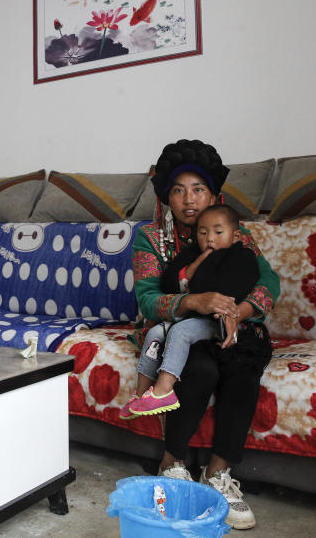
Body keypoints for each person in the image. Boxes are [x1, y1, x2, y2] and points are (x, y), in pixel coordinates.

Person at [131, 139, 280, 531]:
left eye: (198, 189)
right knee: (200, 369)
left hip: (229, 327)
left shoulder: (232, 230)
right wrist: (194, 301)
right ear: (166, 197)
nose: (188, 199)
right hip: (182, 328)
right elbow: (148, 299)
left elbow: (268, 281)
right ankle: (172, 462)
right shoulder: (150, 237)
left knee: (243, 368)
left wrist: (239, 312)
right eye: (178, 190)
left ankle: (219, 474)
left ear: (215, 194)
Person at [120, 203, 259, 418]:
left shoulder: (242, 257)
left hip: (217, 322)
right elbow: (168, 284)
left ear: (236, 236)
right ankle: (140, 395)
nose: (210, 238)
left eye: (218, 232)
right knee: (156, 333)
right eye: (203, 233)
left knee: (180, 331)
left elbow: (232, 289)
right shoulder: (193, 254)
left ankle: (164, 390)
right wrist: (194, 266)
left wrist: (199, 286)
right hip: (192, 317)